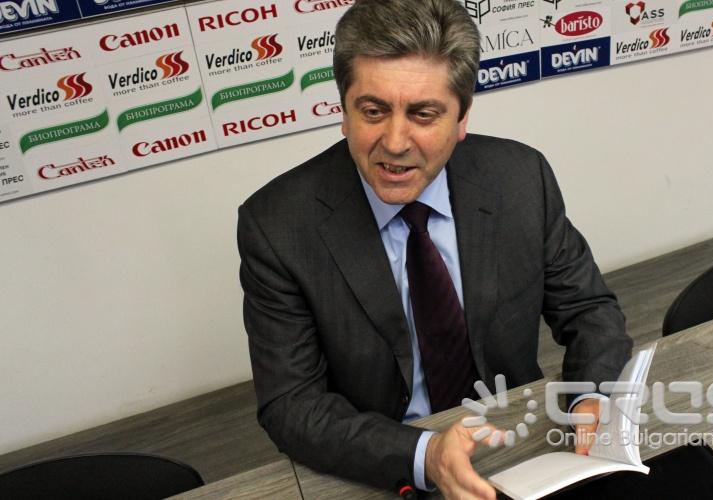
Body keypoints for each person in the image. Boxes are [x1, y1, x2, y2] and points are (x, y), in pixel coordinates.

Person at [236, 0, 632, 498]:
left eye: (423, 114)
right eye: (373, 111)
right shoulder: (276, 225)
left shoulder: (520, 179)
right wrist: (423, 455)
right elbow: (292, 404)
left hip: (518, 440)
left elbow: (589, 309)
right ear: (344, 112)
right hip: (382, 461)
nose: (395, 142)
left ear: (462, 118)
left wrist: (590, 396)